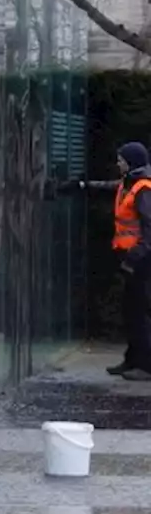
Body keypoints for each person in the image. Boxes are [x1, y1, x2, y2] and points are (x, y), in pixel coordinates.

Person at [63, 142, 151, 380]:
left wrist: (133, 259)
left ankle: (146, 366)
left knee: (139, 311)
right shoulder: (129, 184)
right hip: (131, 256)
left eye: (121, 160)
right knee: (130, 310)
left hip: (140, 259)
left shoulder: (143, 189)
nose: (118, 163)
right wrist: (83, 186)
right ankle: (132, 359)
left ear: (131, 163)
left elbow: (149, 230)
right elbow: (109, 187)